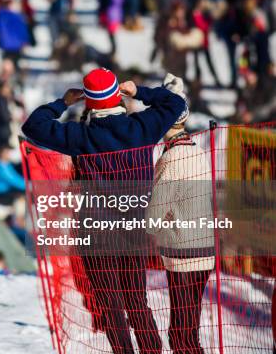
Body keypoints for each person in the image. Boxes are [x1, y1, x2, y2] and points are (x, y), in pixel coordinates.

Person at [22, 68, 186, 354]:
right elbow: (176, 104)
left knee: (109, 305)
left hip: (94, 235)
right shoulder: (141, 128)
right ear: (116, 95)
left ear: (88, 102)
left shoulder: (78, 136)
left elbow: (33, 126)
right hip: (133, 231)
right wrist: (140, 91)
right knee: (137, 301)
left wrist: (62, 103)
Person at [147, 74, 215, 354]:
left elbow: (155, 214)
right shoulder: (199, 152)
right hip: (206, 247)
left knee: (181, 333)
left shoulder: (171, 158)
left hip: (182, 252)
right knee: (190, 325)